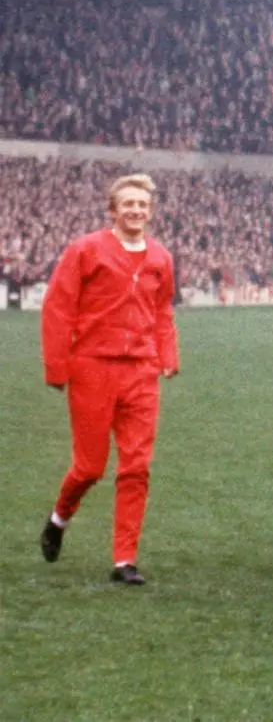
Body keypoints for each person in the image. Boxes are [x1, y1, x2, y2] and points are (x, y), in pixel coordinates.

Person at [39, 173, 179, 585]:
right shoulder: (85, 250)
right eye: (128, 204)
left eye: (142, 205)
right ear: (113, 211)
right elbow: (58, 307)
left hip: (140, 371)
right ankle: (59, 517)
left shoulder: (161, 258)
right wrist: (56, 367)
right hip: (93, 368)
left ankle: (124, 560)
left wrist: (166, 354)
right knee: (90, 467)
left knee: (136, 466)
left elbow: (163, 310)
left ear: (151, 212)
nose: (136, 210)